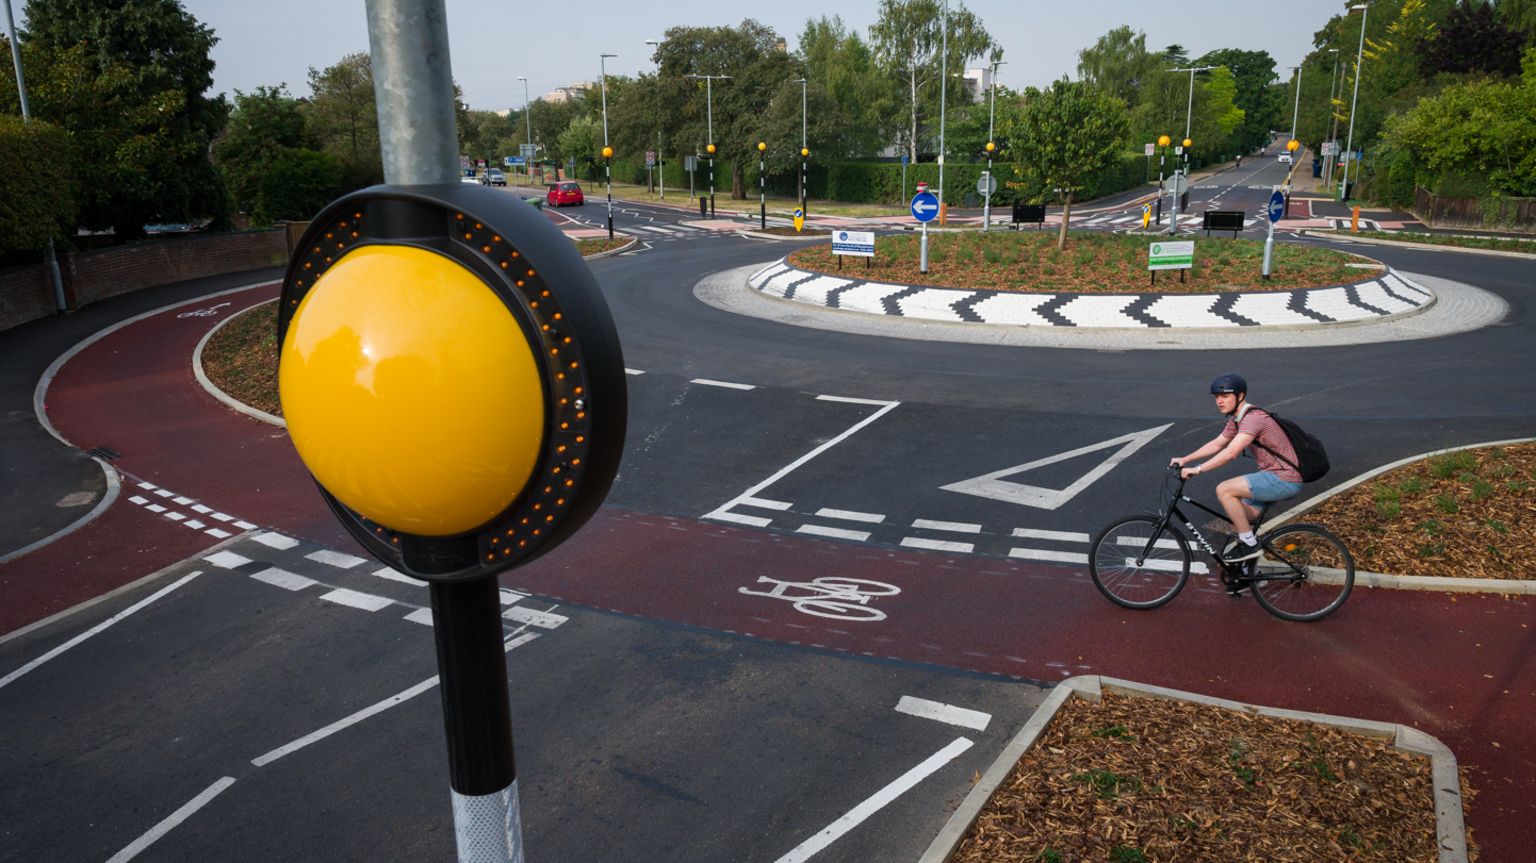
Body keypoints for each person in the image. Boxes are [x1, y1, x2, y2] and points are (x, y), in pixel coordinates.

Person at [1170, 374, 1303, 564]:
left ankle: (1250, 545)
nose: (1219, 401)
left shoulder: (1253, 419)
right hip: (1271, 476)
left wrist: (1197, 469)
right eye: (1216, 397)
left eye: (1225, 396)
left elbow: (1231, 452)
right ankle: (1249, 573)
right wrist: (1185, 459)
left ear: (1240, 396)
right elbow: (1218, 444)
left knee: (1224, 489)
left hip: (1283, 478)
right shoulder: (1237, 419)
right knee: (1238, 520)